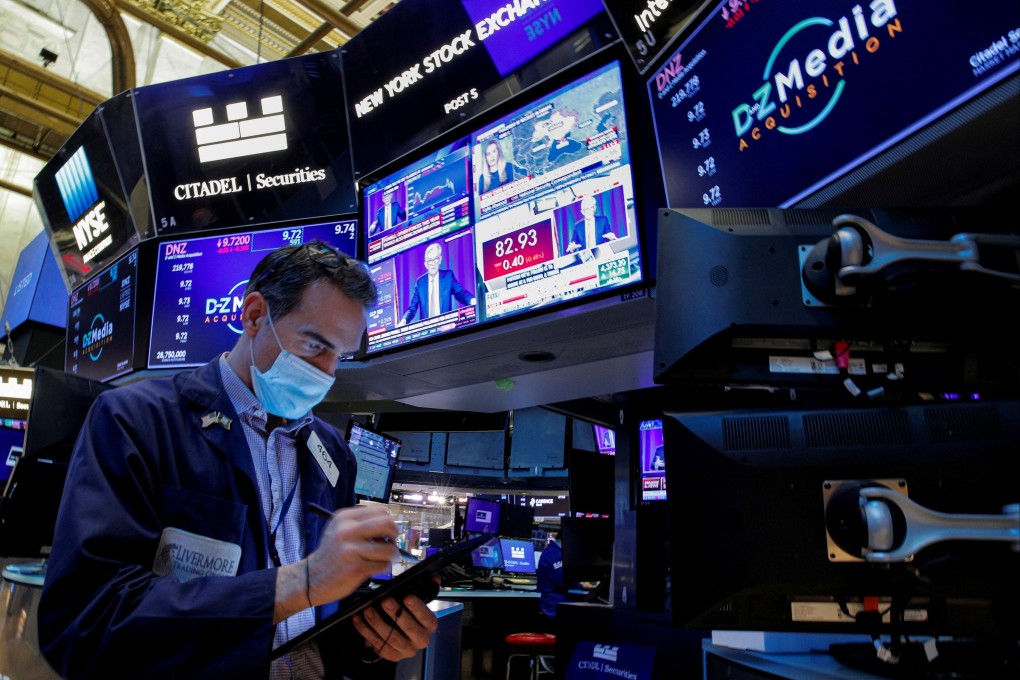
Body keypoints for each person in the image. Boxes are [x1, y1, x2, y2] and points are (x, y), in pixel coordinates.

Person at [38, 241, 439, 680]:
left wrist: (371, 639)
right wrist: (298, 584)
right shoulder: (137, 420)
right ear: (253, 316)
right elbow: (84, 625)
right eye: (314, 345)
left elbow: (317, 626)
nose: (326, 373)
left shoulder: (333, 454)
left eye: (339, 356)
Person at [396, 242, 475, 326]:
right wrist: (403, 321)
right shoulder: (420, 283)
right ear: (426, 264)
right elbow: (412, 308)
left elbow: (460, 293)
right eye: (430, 260)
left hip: (447, 328)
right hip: (427, 332)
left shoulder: (448, 276)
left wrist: (472, 300)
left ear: (440, 260)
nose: (433, 263)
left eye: (435, 259)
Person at [535, 532, 583, 631]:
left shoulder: (557, 551)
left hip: (560, 601)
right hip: (554, 605)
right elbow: (564, 579)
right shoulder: (554, 554)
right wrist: (581, 584)